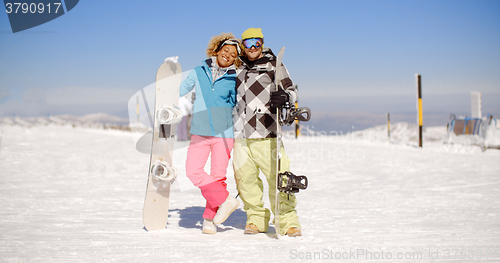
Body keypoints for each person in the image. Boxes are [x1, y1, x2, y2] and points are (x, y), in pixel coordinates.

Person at [232, 28, 301, 237]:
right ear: (242, 45)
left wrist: (285, 97)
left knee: (279, 177)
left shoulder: (274, 65)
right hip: (240, 134)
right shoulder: (237, 67)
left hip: (267, 131)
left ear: (262, 43)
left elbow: (290, 89)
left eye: (257, 42)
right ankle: (256, 219)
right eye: (248, 43)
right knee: (246, 179)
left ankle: (287, 220)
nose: (253, 47)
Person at [179, 33, 241, 234]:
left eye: (233, 54)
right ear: (217, 49)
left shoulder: (234, 78)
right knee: (192, 171)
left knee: (217, 177)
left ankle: (209, 219)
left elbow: (236, 103)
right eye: (226, 51)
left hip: (224, 133)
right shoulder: (198, 71)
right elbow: (180, 89)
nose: (228, 56)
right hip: (200, 130)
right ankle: (226, 200)